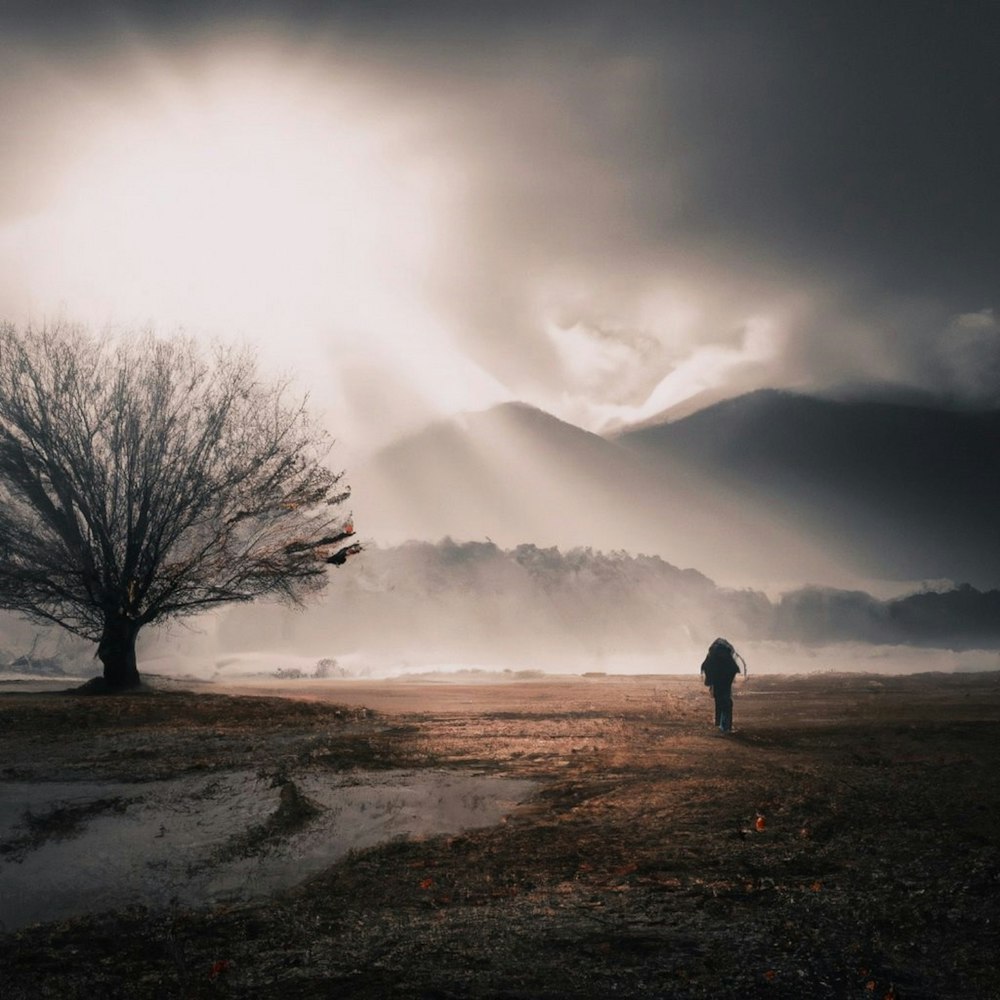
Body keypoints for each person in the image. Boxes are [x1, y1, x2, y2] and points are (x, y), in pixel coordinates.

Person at [700, 637, 745, 733]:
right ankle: (725, 726)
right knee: (726, 700)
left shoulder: (711, 656)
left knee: (719, 699)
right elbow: (733, 669)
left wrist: (710, 683)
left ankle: (719, 722)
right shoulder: (727, 656)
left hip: (717, 677)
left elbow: (706, 668)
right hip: (726, 676)